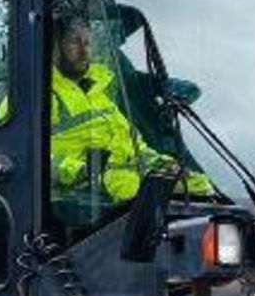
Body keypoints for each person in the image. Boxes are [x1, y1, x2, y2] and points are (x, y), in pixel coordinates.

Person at [46, 18, 212, 205]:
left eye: (87, 43)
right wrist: (80, 171)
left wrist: (161, 164)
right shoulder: (40, 95)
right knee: (131, 189)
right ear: (56, 48)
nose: (84, 51)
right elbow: (24, 157)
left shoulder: (100, 92)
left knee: (200, 185)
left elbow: (131, 146)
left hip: (125, 175)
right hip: (82, 194)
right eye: (74, 42)